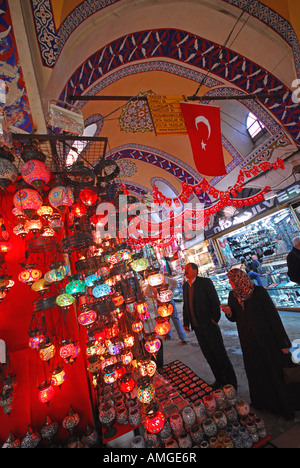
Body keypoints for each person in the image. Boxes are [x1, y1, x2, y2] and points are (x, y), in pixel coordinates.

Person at [223, 268, 300, 418]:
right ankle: (263, 402)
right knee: (257, 373)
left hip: (268, 341)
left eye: (232, 280)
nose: (230, 283)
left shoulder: (258, 292)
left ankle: (284, 407)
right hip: (249, 343)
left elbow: (273, 317)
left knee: (274, 372)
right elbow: (234, 317)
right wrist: (229, 313)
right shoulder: (233, 295)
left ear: (239, 280)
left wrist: (284, 343)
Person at [183, 263, 237, 390]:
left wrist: (214, 319)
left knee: (219, 354)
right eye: (185, 269)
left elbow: (214, 300)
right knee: (209, 355)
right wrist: (186, 322)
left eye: (188, 269)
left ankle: (230, 382)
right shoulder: (185, 286)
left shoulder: (205, 282)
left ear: (195, 270)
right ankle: (219, 379)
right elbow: (186, 305)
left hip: (209, 324)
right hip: (197, 327)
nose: (185, 271)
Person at [144, 273, 187, 345]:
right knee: (172, 318)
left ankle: (172, 335)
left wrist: (156, 296)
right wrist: (169, 291)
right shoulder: (163, 278)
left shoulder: (153, 281)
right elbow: (175, 282)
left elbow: (146, 292)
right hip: (165, 301)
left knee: (167, 319)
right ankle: (180, 336)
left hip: (162, 302)